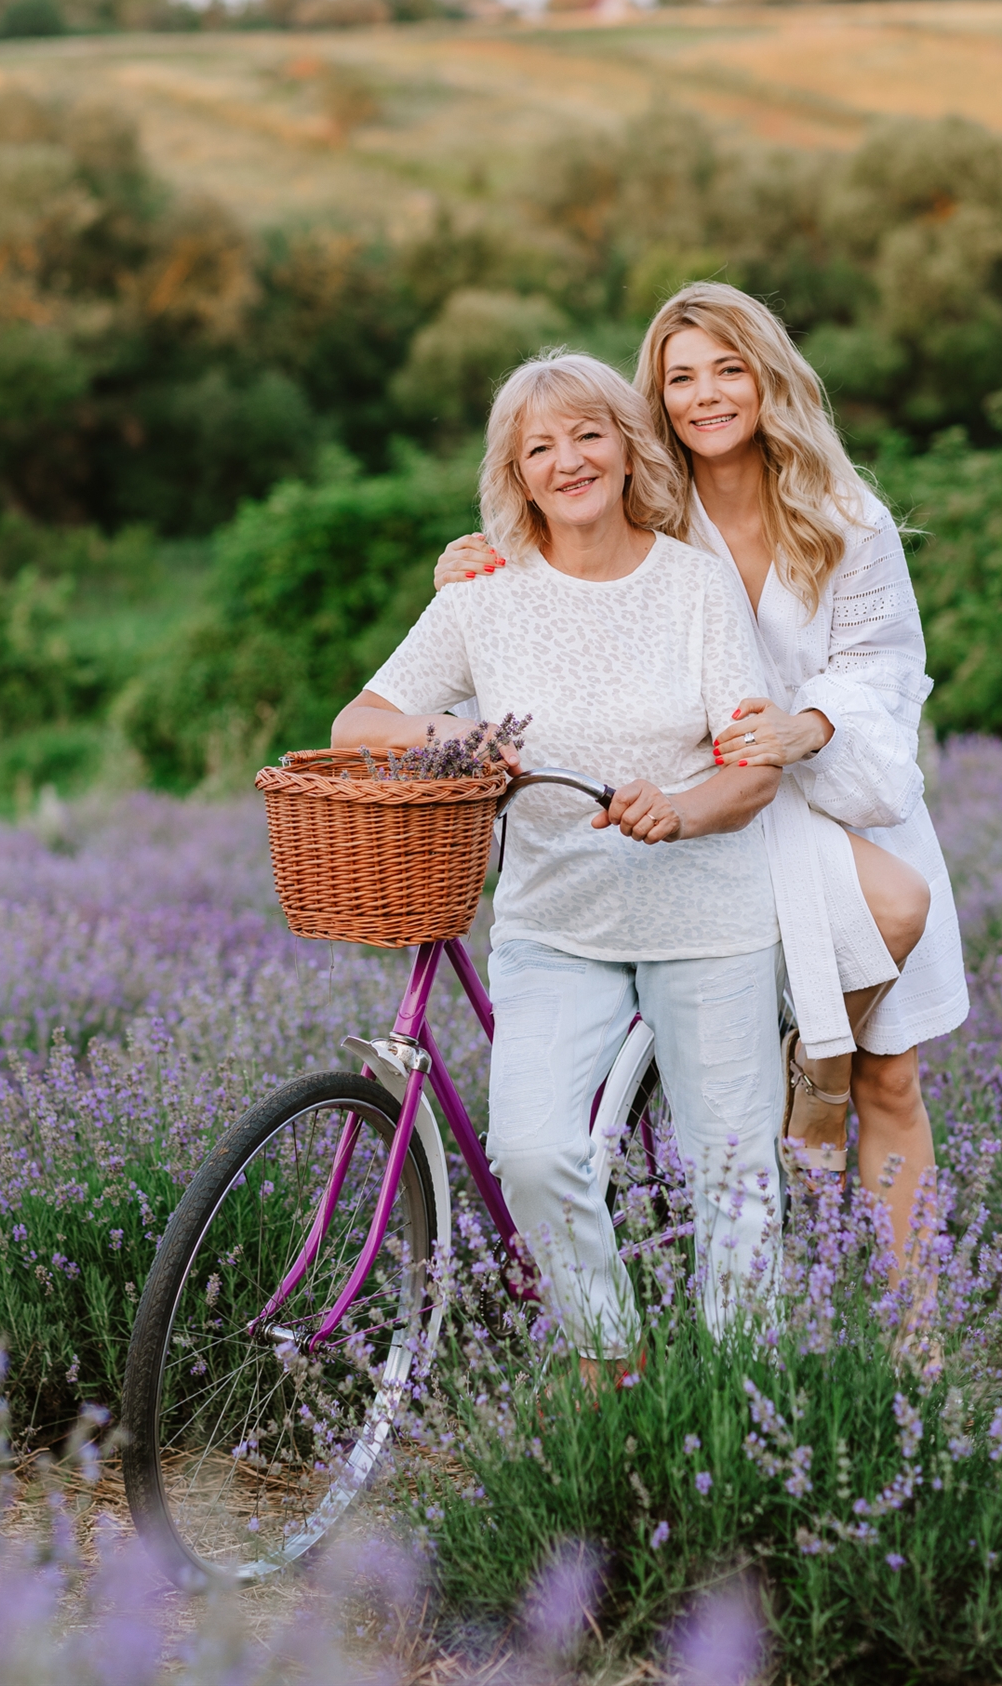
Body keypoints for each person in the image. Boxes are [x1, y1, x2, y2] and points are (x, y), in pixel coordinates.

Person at [432, 287, 968, 1272]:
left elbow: (889, 665)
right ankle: (805, 1082)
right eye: (681, 377)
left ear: (770, 376)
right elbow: (560, 570)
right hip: (706, 801)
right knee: (884, 911)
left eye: (729, 368)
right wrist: (479, 567)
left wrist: (810, 724)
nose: (706, 394)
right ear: (656, 397)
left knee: (893, 1066)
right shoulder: (650, 502)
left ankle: (911, 1331)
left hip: (837, 781)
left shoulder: (848, 516)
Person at [333, 353, 785, 1382]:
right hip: (553, 926)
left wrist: (678, 807)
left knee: (733, 1181)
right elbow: (355, 721)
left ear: (628, 447)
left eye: (588, 434)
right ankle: (613, 1369)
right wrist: (456, 730)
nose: (568, 460)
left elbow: (751, 774)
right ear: (516, 473)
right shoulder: (484, 596)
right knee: (534, 1158)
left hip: (706, 918)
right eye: (540, 447)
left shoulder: (694, 585)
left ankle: (741, 1409)